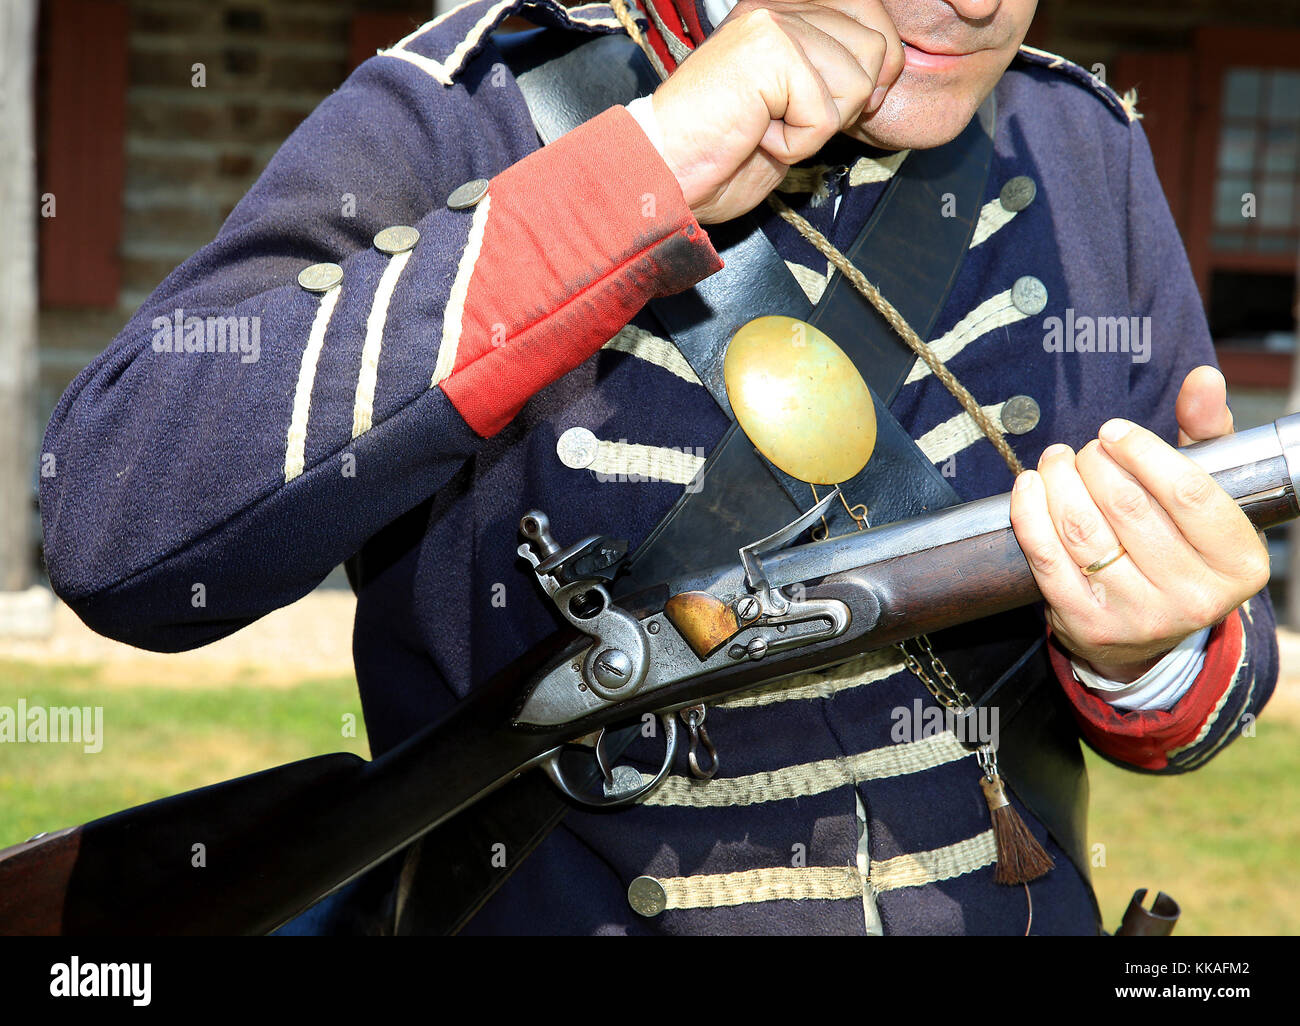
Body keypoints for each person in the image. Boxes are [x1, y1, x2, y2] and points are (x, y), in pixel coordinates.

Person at [39, 0, 1276, 935]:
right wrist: (644, 172)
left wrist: (1146, 648)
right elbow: (117, 527)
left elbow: (1210, 676)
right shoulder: (470, 103)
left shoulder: (1080, 146)